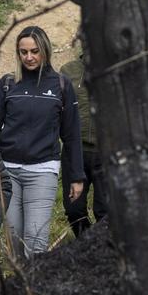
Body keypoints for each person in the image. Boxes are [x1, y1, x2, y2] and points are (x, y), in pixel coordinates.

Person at [0, 26, 85, 262]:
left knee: (36, 239)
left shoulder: (61, 85)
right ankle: (22, 286)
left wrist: (76, 176)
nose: (29, 57)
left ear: (45, 51)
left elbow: (71, 134)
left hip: (43, 171)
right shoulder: (7, 85)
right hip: (8, 173)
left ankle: (35, 291)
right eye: (23, 52)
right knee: (14, 238)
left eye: (34, 51)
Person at [59, 55, 102, 235]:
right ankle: (87, 245)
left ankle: (106, 255)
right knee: (74, 210)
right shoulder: (68, 71)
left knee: (105, 212)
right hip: (75, 152)